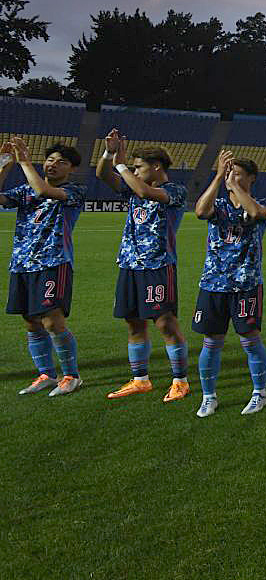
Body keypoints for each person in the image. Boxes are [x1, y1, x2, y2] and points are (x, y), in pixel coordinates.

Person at [95, 131, 192, 401]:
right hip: (129, 265)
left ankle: (180, 381)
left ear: (156, 166)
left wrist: (122, 165)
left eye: (139, 167)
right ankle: (140, 380)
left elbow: (143, 190)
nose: (134, 172)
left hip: (158, 266)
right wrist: (109, 154)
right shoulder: (133, 187)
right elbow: (103, 175)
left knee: (165, 323)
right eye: (134, 168)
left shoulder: (174, 191)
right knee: (133, 322)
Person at [191, 150, 266, 417]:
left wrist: (236, 187)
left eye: (237, 173)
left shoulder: (263, 202)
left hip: (246, 285)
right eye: (229, 172)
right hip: (213, 283)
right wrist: (218, 177)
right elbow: (200, 211)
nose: (231, 177)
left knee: (249, 340)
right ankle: (208, 396)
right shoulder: (218, 204)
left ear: (251, 178)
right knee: (211, 341)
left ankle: (259, 393)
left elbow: (253, 212)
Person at [2, 139, 84, 396]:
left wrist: (25, 162)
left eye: (62, 162)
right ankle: (47, 374)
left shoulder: (75, 191)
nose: (53, 165)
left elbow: (43, 192)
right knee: (30, 321)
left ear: (71, 169)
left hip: (53, 263)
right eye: (50, 160)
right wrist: (5, 164)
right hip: (22, 264)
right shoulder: (24, 190)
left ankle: (71, 376)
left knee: (51, 321)